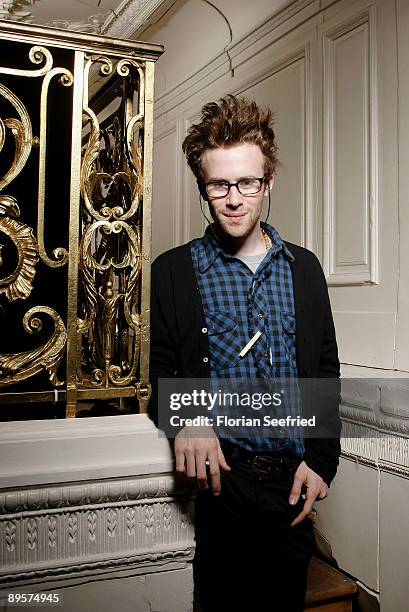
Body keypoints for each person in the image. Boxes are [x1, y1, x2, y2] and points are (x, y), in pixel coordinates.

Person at [149, 95, 341, 612]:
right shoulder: (173, 271)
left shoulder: (304, 269)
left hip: (291, 486)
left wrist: (322, 462)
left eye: (247, 183)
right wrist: (188, 419)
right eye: (219, 185)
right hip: (219, 486)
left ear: (267, 183)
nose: (234, 199)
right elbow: (160, 365)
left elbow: (325, 369)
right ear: (203, 189)